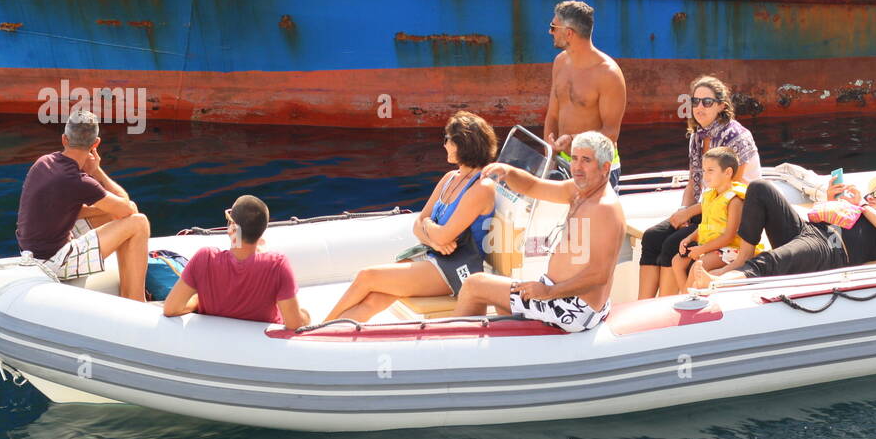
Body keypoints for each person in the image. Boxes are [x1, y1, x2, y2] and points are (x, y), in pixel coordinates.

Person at [322, 112, 498, 323]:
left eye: (447, 140)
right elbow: (417, 223)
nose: (444, 145)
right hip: (436, 256)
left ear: (463, 143)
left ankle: (315, 328)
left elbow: (439, 233)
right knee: (374, 299)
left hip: (458, 269)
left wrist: (430, 229)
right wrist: (432, 235)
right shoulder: (450, 178)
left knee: (367, 276)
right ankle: (328, 332)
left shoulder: (482, 187)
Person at [455, 131, 624, 332]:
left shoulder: (604, 209)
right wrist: (508, 172)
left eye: (586, 160)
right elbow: (534, 186)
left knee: (475, 285)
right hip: (560, 294)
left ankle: (451, 350)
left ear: (605, 168)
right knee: (503, 297)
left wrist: (549, 291)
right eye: (575, 158)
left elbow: (599, 275)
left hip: (573, 307)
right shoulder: (578, 191)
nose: (577, 167)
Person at [637, 75, 761, 299]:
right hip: (705, 208)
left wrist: (690, 212)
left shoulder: (737, 136)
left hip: (729, 212)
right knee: (651, 237)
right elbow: (694, 180)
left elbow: (731, 189)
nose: (699, 107)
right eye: (695, 101)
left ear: (722, 105)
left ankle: (665, 307)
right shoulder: (697, 136)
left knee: (672, 245)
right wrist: (683, 212)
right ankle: (642, 304)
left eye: (707, 102)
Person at [14, 108, 150, 301]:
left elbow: (60, 209)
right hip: (53, 261)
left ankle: (129, 280)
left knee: (113, 213)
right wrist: (97, 171)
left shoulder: (43, 162)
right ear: (96, 143)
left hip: (32, 249)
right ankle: (135, 298)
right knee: (138, 221)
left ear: (64, 139)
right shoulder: (79, 181)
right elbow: (128, 207)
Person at [693, 174, 876, 285]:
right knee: (760, 187)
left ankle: (721, 282)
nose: (871, 197)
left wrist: (862, 205)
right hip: (808, 230)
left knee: (774, 259)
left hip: (830, 248)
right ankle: (742, 258)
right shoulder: (860, 211)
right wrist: (833, 202)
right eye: (870, 194)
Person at [163, 195, 310, 328]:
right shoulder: (277, 265)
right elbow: (294, 324)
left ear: (232, 228)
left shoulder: (205, 258)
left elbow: (171, 308)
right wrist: (305, 317)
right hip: (262, 348)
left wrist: (196, 301)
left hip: (211, 344)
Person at [544, 0, 627, 189]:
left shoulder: (608, 74)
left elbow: (611, 133)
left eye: (553, 27)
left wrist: (572, 141)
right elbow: (553, 114)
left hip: (597, 168)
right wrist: (550, 154)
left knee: (589, 220)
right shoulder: (560, 62)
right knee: (564, 219)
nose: (550, 31)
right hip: (565, 163)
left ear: (569, 33)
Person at [672, 147, 748, 291]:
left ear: (728, 172)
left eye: (710, 171)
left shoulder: (734, 201)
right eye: (704, 171)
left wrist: (701, 249)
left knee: (698, 266)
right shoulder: (709, 196)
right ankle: (685, 295)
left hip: (731, 249)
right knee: (677, 261)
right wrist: (688, 239)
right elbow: (705, 226)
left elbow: (728, 237)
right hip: (712, 246)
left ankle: (687, 298)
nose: (705, 176)